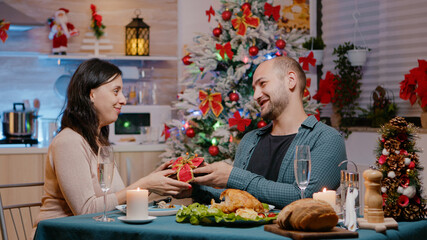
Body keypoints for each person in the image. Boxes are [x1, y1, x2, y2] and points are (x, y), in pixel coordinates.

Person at [34, 59, 190, 228]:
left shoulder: (98, 141)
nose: (123, 100)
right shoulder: (69, 141)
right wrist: (144, 184)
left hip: (93, 230)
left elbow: (112, 201)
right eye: (116, 91)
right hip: (59, 232)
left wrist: (151, 184)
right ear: (91, 94)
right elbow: (86, 211)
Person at [186, 56, 347, 209]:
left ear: (290, 80)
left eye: (262, 84)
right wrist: (195, 190)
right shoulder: (250, 140)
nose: (255, 96)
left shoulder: (327, 139)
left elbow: (304, 196)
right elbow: (239, 197)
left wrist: (233, 176)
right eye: (254, 89)